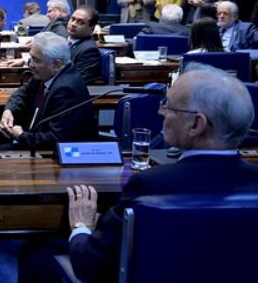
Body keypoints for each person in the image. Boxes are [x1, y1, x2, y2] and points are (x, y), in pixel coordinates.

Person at [18, 65, 258, 283]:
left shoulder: (150, 185)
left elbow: (90, 265)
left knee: (34, 254)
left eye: (169, 106)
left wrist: (81, 225)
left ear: (196, 124)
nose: (161, 113)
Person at [0, 32, 97, 151]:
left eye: (36, 60)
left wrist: (20, 135)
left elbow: (56, 140)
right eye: (31, 58)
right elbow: (22, 92)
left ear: (56, 64)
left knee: (3, 151)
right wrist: (9, 110)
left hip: (66, 155)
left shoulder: (66, 91)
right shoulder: (47, 73)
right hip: (38, 139)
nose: (30, 65)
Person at [66, 6, 102, 84]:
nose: (73, 24)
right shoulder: (64, 40)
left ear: (91, 29)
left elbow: (79, 80)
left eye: (80, 22)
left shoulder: (89, 50)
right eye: (73, 19)